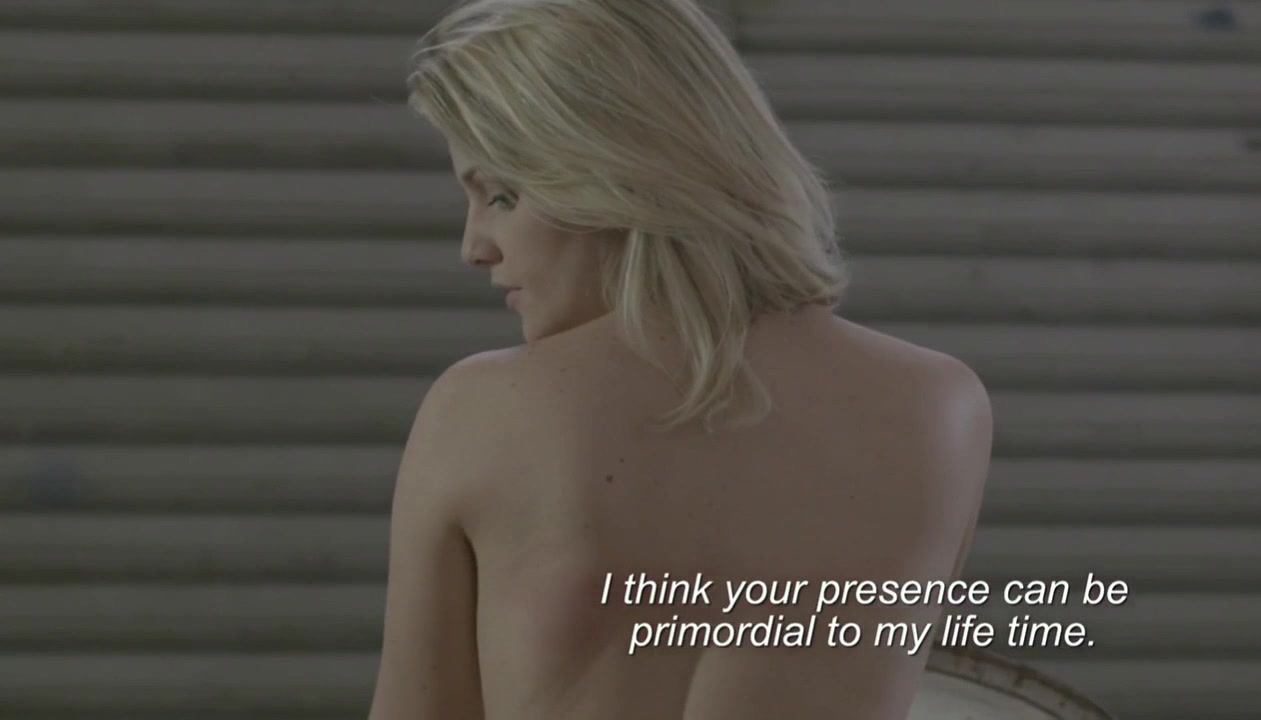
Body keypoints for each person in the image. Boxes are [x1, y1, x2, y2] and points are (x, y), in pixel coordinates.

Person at [366, 1, 993, 718]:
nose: (474, 246)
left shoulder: (481, 412)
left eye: (503, 196)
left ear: (624, 172)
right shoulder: (941, 407)